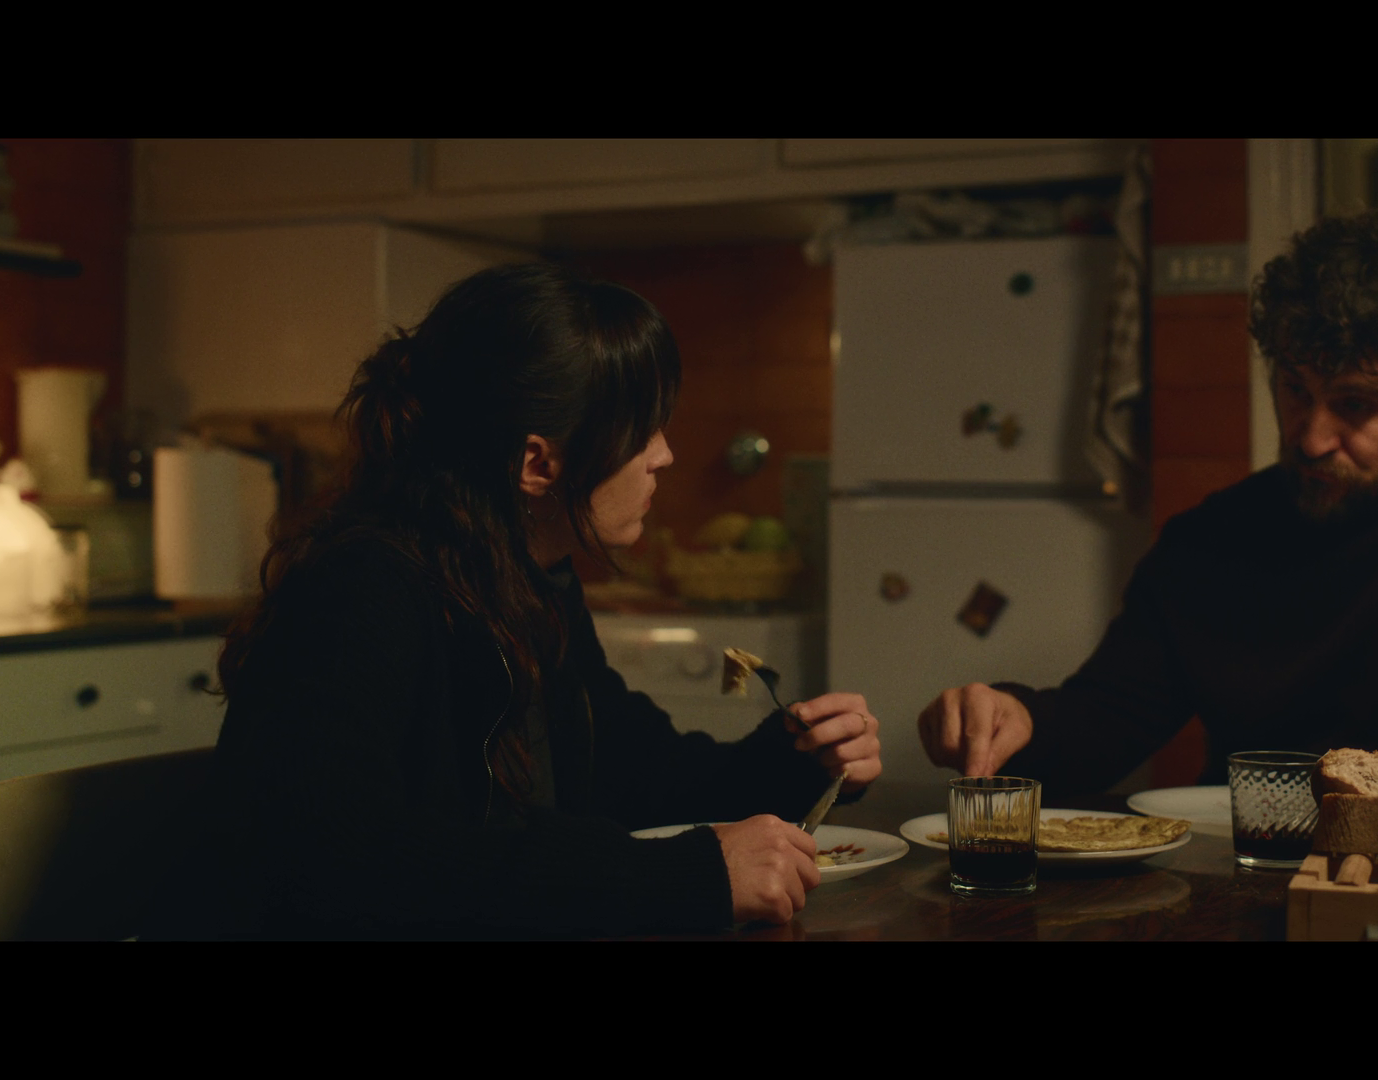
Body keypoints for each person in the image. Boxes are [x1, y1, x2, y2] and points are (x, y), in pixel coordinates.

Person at [144, 263, 881, 939]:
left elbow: (629, 770)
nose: (665, 454)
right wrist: (682, 877)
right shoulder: (364, 588)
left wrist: (794, 764)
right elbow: (338, 861)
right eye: (639, 429)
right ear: (537, 462)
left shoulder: (529, 579)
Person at [917, 209, 1378, 794]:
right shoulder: (1214, 537)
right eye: (1295, 390)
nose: (1310, 437)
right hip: (1246, 877)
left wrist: (1272, 792)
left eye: (1355, 405)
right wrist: (1014, 721)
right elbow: (1106, 722)